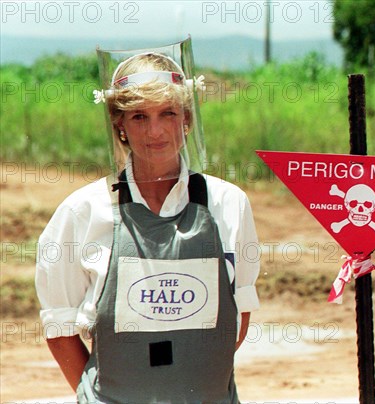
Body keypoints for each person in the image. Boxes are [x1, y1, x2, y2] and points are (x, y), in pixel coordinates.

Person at [35, 39, 260, 403]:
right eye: (140, 116)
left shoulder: (229, 203)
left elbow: (240, 311)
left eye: (167, 113)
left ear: (187, 119)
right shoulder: (82, 212)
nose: (155, 132)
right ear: (118, 123)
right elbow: (59, 328)